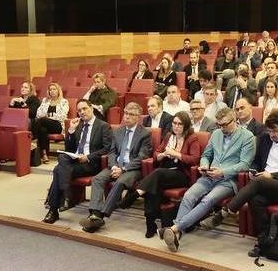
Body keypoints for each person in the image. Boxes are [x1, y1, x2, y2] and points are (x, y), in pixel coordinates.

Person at [202, 112, 278, 247]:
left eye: (275, 131)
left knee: (259, 181)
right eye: (269, 131)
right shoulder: (264, 138)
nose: (272, 135)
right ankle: (263, 241)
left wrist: (273, 175)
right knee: (255, 199)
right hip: (263, 183)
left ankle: (223, 214)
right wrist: (253, 170)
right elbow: (256, 162)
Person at [159, 108, 256, 252]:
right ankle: (176, 233)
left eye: (224, 125)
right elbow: (206, 155)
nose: (221, 128)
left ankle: (175, 228)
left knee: (208, 200)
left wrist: (222, 172)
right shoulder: (216, 134)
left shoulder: (248, 137)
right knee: (189, 196)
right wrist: (204, 166)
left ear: (234, 120)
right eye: (219, 125)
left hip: (228, 180)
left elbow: (244, 164)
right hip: (209, 175)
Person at [81, 103, 153, 233]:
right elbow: (112, 151)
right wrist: (114, 166)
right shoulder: (118, 131)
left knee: (120, 182)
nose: (127, 116)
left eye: (131, 114)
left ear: (138, 117)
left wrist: (123, 169)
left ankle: (100, 216)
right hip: (116, 165)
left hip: (132, 169)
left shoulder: (145, 134)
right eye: (126, 113)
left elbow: (142, 157)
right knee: (97, 179)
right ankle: (95, 213)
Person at [42, 100, 113, 224]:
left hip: (91, 163)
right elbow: (69, 149)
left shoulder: (103, 126)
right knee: (63, 158)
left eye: (84, 108)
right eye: (79, 110)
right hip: (75, 160)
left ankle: (54, 209)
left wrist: (89, 157)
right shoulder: (78, 125)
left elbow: (107, 148)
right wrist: (70, 131)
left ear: (91, 108)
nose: (82, 112)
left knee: (58, 170)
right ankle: (64, 193)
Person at [136, 112, 205, 238]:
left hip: (181, 173)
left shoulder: (192, 138)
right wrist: (162, 155)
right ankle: (150, 224)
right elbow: (156, 153)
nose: (176, 126)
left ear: (186, 125)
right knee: (154, 188)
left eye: (180, 124)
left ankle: (137, 192)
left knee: (156, 174)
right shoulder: (169, 136)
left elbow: (195, 159)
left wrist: (176, 154)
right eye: (174, 123)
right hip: (166, 171)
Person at [30, 83, 69, 164]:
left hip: (57, 125)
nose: (52, 91)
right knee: (42, 130)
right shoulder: (45, 100)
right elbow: (38, 113)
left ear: (58, 91)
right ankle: (44, 154)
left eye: (54, 89)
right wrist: (47, 117)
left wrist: (48, 117)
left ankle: (31, 139)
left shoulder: (64, 101)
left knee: (41, 120)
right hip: (45, 124)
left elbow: (62, 116)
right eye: (50, 90)